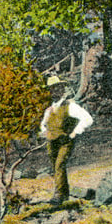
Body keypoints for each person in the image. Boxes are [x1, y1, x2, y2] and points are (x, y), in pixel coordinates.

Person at [40, 75, 94, 204]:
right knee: (56, 168)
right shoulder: (49, 109)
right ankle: (64, 194)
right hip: (51, 142)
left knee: (59, 165)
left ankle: (58, 195)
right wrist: (44, 131)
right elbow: (43, 124)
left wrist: (76, 132)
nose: (54, 92)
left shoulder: (70, 106)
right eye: (51, 89)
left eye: (57, 89)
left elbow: (87, 119)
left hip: (65, 141)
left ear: (62, 90)